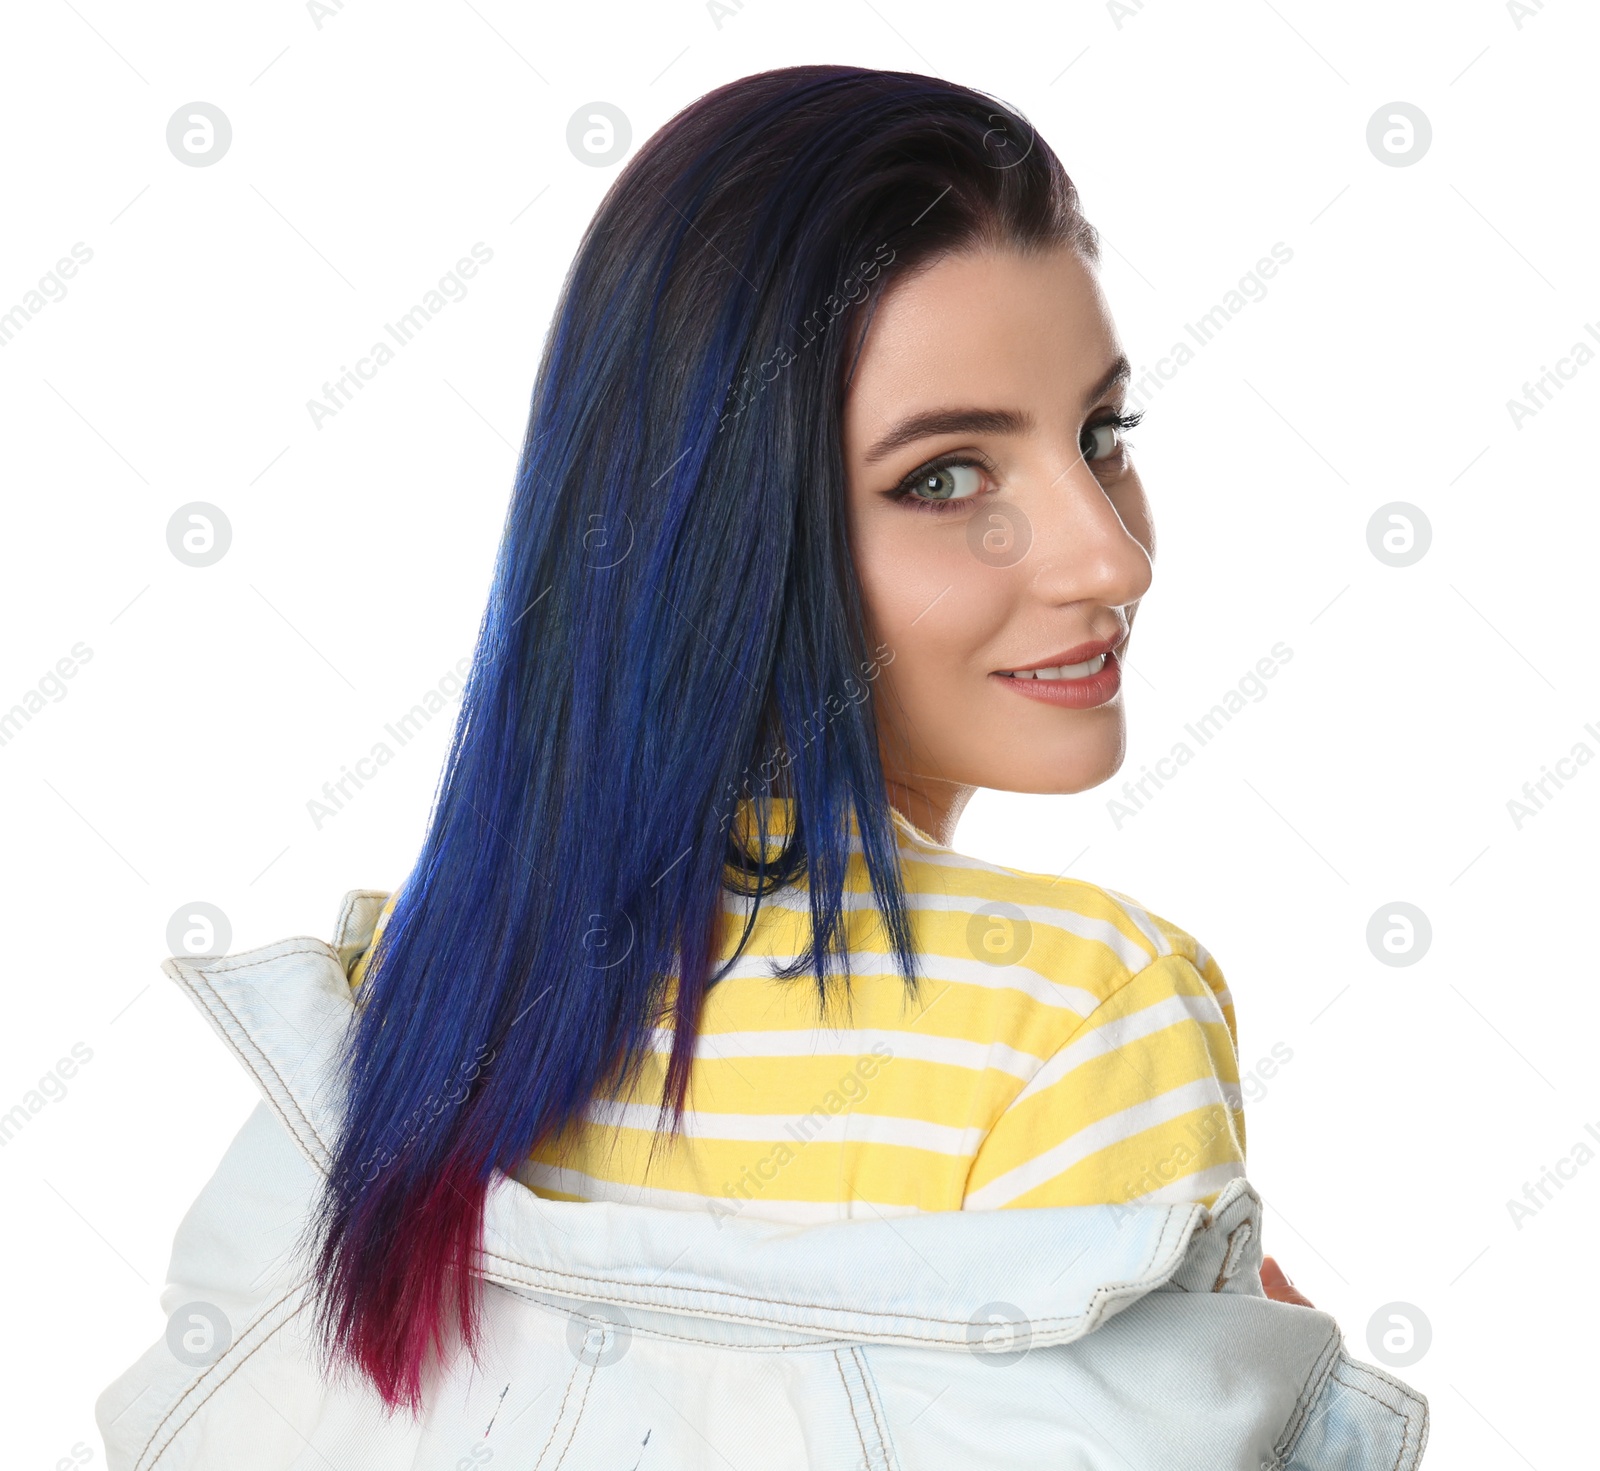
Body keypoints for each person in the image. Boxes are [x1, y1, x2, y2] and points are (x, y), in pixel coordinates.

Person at [97, 64, 1420, 1469]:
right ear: (722, 532)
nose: (1112, 554)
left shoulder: (410, 1001)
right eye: (945, 478)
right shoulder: (1080, 1008)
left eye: (1102, 436)